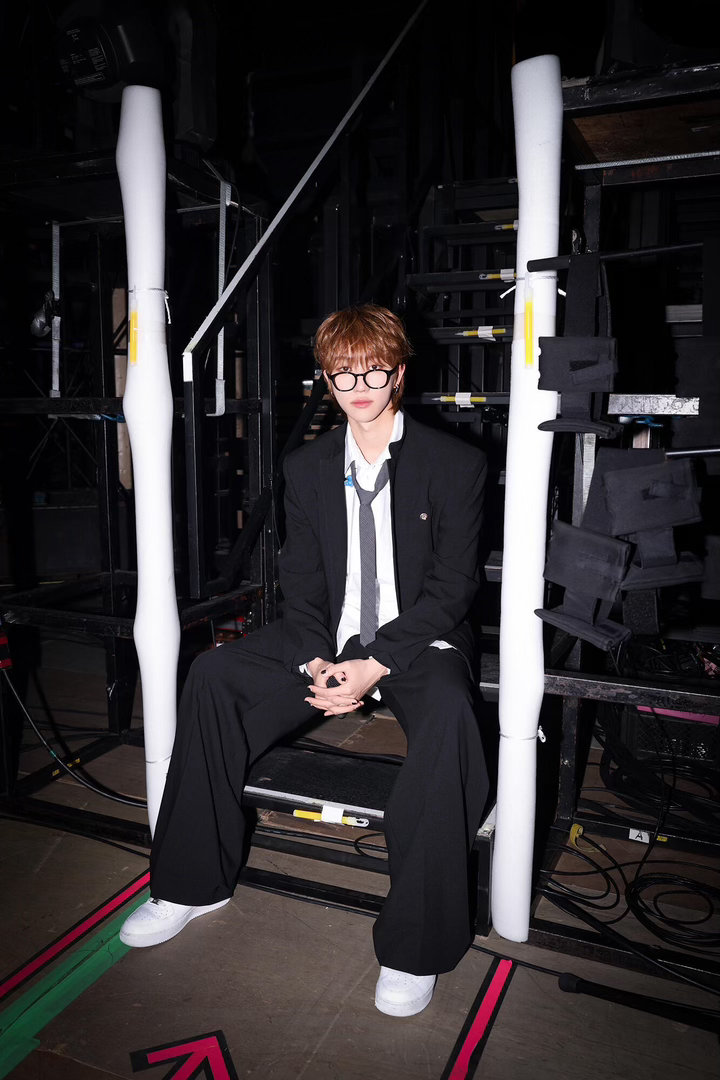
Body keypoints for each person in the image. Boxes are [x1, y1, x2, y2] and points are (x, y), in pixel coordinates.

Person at [120, 304, 489, 1017]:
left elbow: (452, 590)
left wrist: (376, 665)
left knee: (449, 713)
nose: (360, 387)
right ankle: (191, 885)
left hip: (418, 639)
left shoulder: (455, 463)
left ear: (399, 374)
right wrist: (320, 661)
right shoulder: (308, 466)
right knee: (214, 676)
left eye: (375, 371)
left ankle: (416, 947)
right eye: (344, 373)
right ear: (326, 378)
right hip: (330, 633)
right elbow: (304, 581)